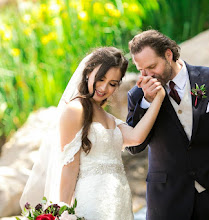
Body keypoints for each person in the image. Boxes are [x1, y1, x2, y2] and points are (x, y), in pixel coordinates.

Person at [20, 47, 165, 220]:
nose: (104, 88)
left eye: (112, 83)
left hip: (119, 201)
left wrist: (158, 98)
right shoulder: (75, 110)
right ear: (88, 72)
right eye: (100, 78)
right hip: (91, 200)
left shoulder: (108, 117)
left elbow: (136, 137)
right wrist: (62, 211)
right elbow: (69, 166)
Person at [126, 30, 209, 220]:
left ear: (168, 55)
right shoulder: (138, 96)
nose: (147, 75)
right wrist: (147, 102)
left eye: (152, 66)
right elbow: (134, 147)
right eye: (141, 70)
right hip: (165, 203)